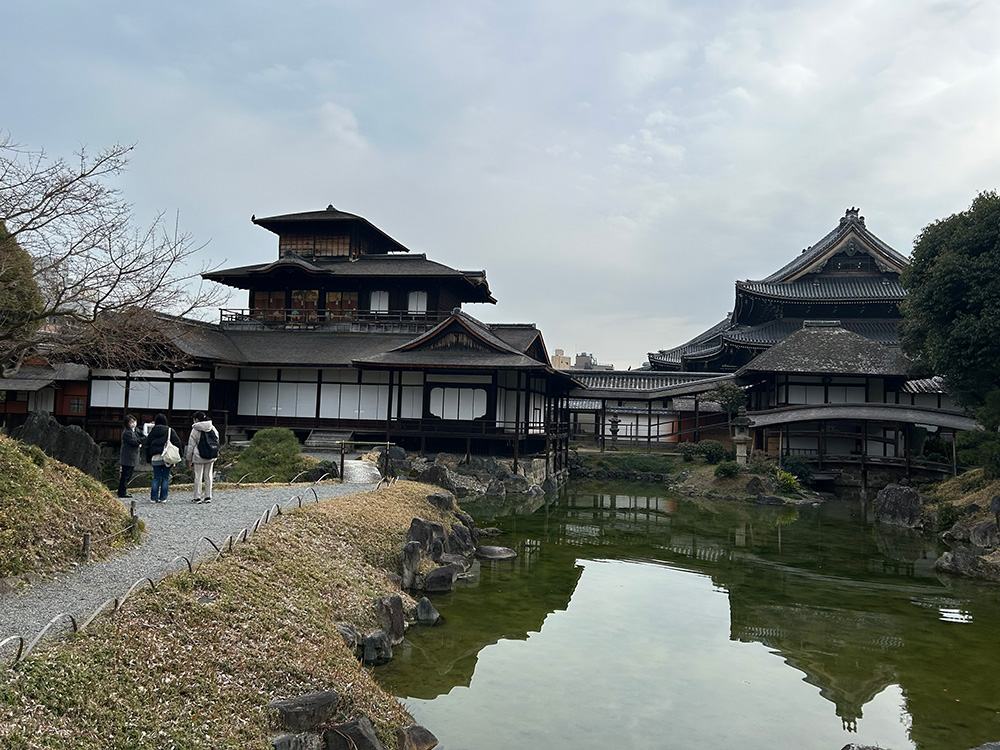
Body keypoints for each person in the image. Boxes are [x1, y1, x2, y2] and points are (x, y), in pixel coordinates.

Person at [143, 413, 182, 503]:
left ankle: (153, 498)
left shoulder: (152, 432)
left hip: (155, 457)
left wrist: (148, 459)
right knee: (165, 477)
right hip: (167, 458)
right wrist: (179, 455)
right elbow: (177, 442)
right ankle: (163, 498)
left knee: (156, 477)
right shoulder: (169, 430)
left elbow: (147, 446)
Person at [185, 411, 220, 504]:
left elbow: (191, 446)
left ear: (197, 419)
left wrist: (189, 458)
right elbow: (216, 440)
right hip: (211, 455)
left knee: (198, 476)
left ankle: (197, 497)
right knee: (208, 475)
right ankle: (208, 496)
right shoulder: (212, 427)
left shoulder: (195, 429)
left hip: (199, 456)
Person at [117, 414, 142, 499]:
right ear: (127, 423)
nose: (133, 423)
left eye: (134, 421)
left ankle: (123, 490)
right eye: (131, 422)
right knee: (126, 474)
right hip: (128, 456)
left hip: (132, 456)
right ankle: (122, 491)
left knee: (128, 474)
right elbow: (134, 442)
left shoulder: (134, 430)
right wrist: (144, 440)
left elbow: (141, 434)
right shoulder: (127, 432)